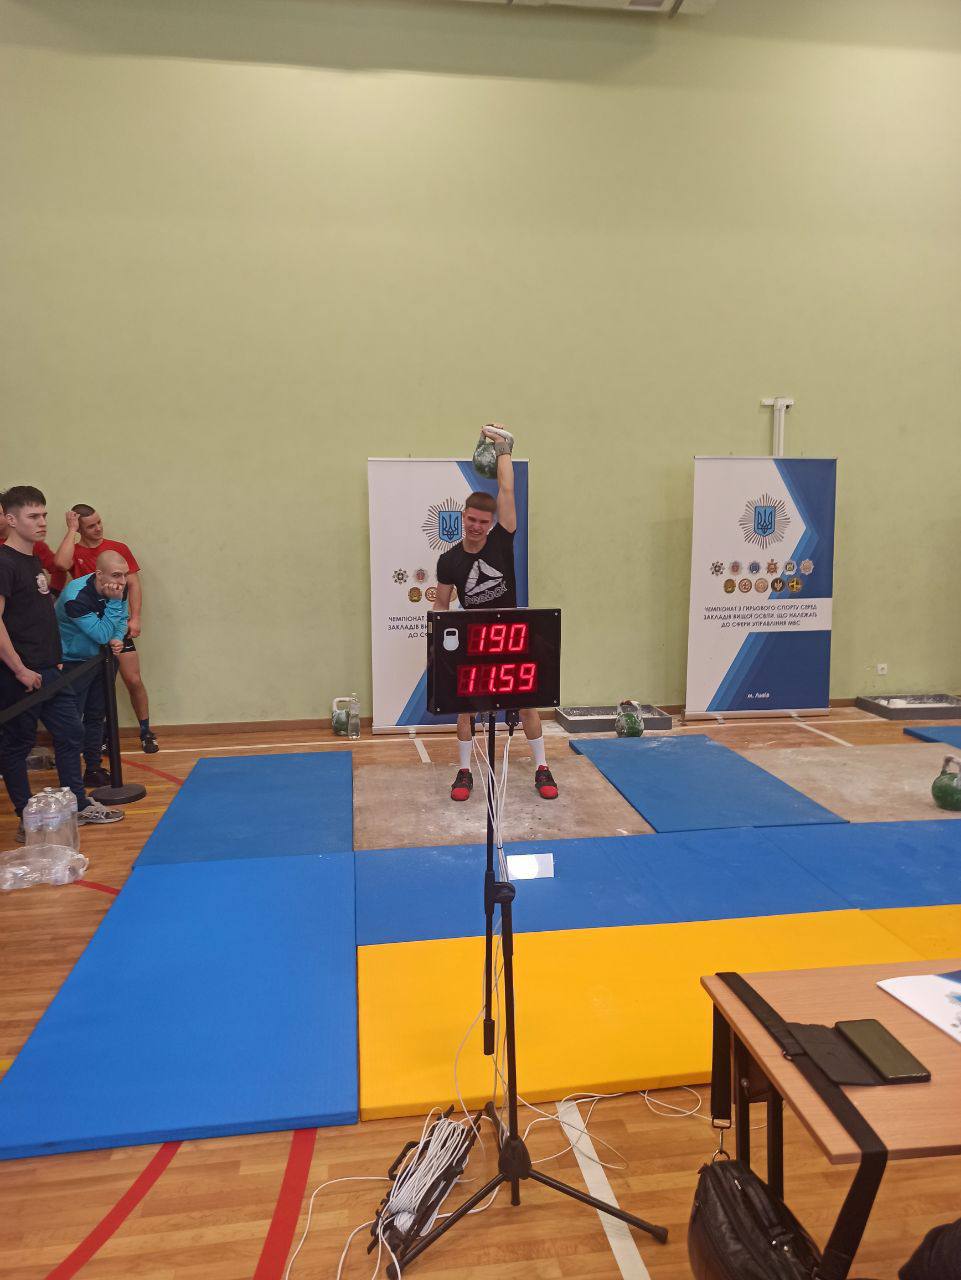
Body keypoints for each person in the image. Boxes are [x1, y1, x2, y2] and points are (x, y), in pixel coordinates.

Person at [435, 425, 558, 802]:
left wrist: (503, 449)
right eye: (471, 519)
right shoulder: (449, 561)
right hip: (474, 638)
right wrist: (436, 646)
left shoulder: (503, 540)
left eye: (482, 521)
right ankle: (464, 771)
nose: (476, 526)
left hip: (511, 636)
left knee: (528, 704)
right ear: (463, 518)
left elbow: (506, 489)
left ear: (490, 523)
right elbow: (441, 606)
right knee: (466, 710)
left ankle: (541, 766)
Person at [0, 486, 124, 837]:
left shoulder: (33, 561)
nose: (42, 522)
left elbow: (38, 617)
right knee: (18, 744)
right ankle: (26, 818)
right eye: (33, 516)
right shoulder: (4, 563)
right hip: (20, 674)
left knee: (72, 733)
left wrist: (52, 660)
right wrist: (19, 669)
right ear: (10, 520)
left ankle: (77, 804)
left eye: (44, 515)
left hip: (51, 670)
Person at [54, 504, 159, 753]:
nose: (98, 528)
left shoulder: (117, 549)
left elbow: (132, 584)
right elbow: (60, 564)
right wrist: (71, 530)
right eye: (91, 525)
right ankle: (97, 739)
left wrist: (134, 618)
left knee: (133, 679)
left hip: (116, 620)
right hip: (89, 628)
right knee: (92, 692)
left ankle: (146, 731)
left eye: (99, 522)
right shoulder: (75, 551)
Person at [55, 551, 129, 788]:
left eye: (125, 575)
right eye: (116, 575)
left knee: (97, 715)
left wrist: (118, 637)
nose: (122, 581)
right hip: (73, 663)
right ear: (99, 574)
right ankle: (70, 780)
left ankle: (93, 768)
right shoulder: (75, 596)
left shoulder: (118, 588)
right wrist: (113, 612)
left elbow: (121, 620)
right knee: (72, 722)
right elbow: (100, 634)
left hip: (102, 659)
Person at [0, 494, 68, 597]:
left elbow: (58, 569)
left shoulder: (32, 544)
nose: (42, 523)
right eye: (33, 516)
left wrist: (54, 593)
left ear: (10, 517)